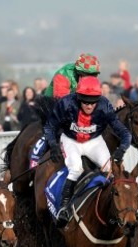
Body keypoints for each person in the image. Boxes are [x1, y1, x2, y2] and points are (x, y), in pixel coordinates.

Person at [44, 76, 132, 228]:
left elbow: (125, 133)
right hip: (71, 140)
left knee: (109, 169)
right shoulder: (66, 103)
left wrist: (121, 150)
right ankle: (64, 208)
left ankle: (112, 210)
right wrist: (53, 145)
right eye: (85, 101)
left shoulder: (105, 105)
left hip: (94, 141)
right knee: (76, 168)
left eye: (93, 102)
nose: (90, 106)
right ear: (78, 98)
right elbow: (49, 126)